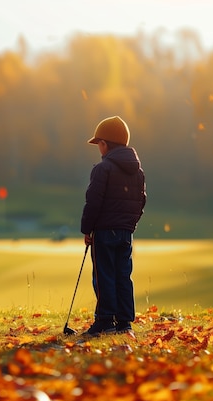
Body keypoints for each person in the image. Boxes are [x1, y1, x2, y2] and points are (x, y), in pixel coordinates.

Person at [80, 116, 146, 336]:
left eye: (99, 143)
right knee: (122, 275)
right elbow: (141, 200)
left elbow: (93, 201)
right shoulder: (137, 171)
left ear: (105, 144)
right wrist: (130, 225)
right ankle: (124, 322)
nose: (99, 148)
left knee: (104, 275)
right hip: (125, 232)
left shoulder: (103, 169)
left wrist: (86, 229)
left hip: (104, 231)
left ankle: (105, 320)